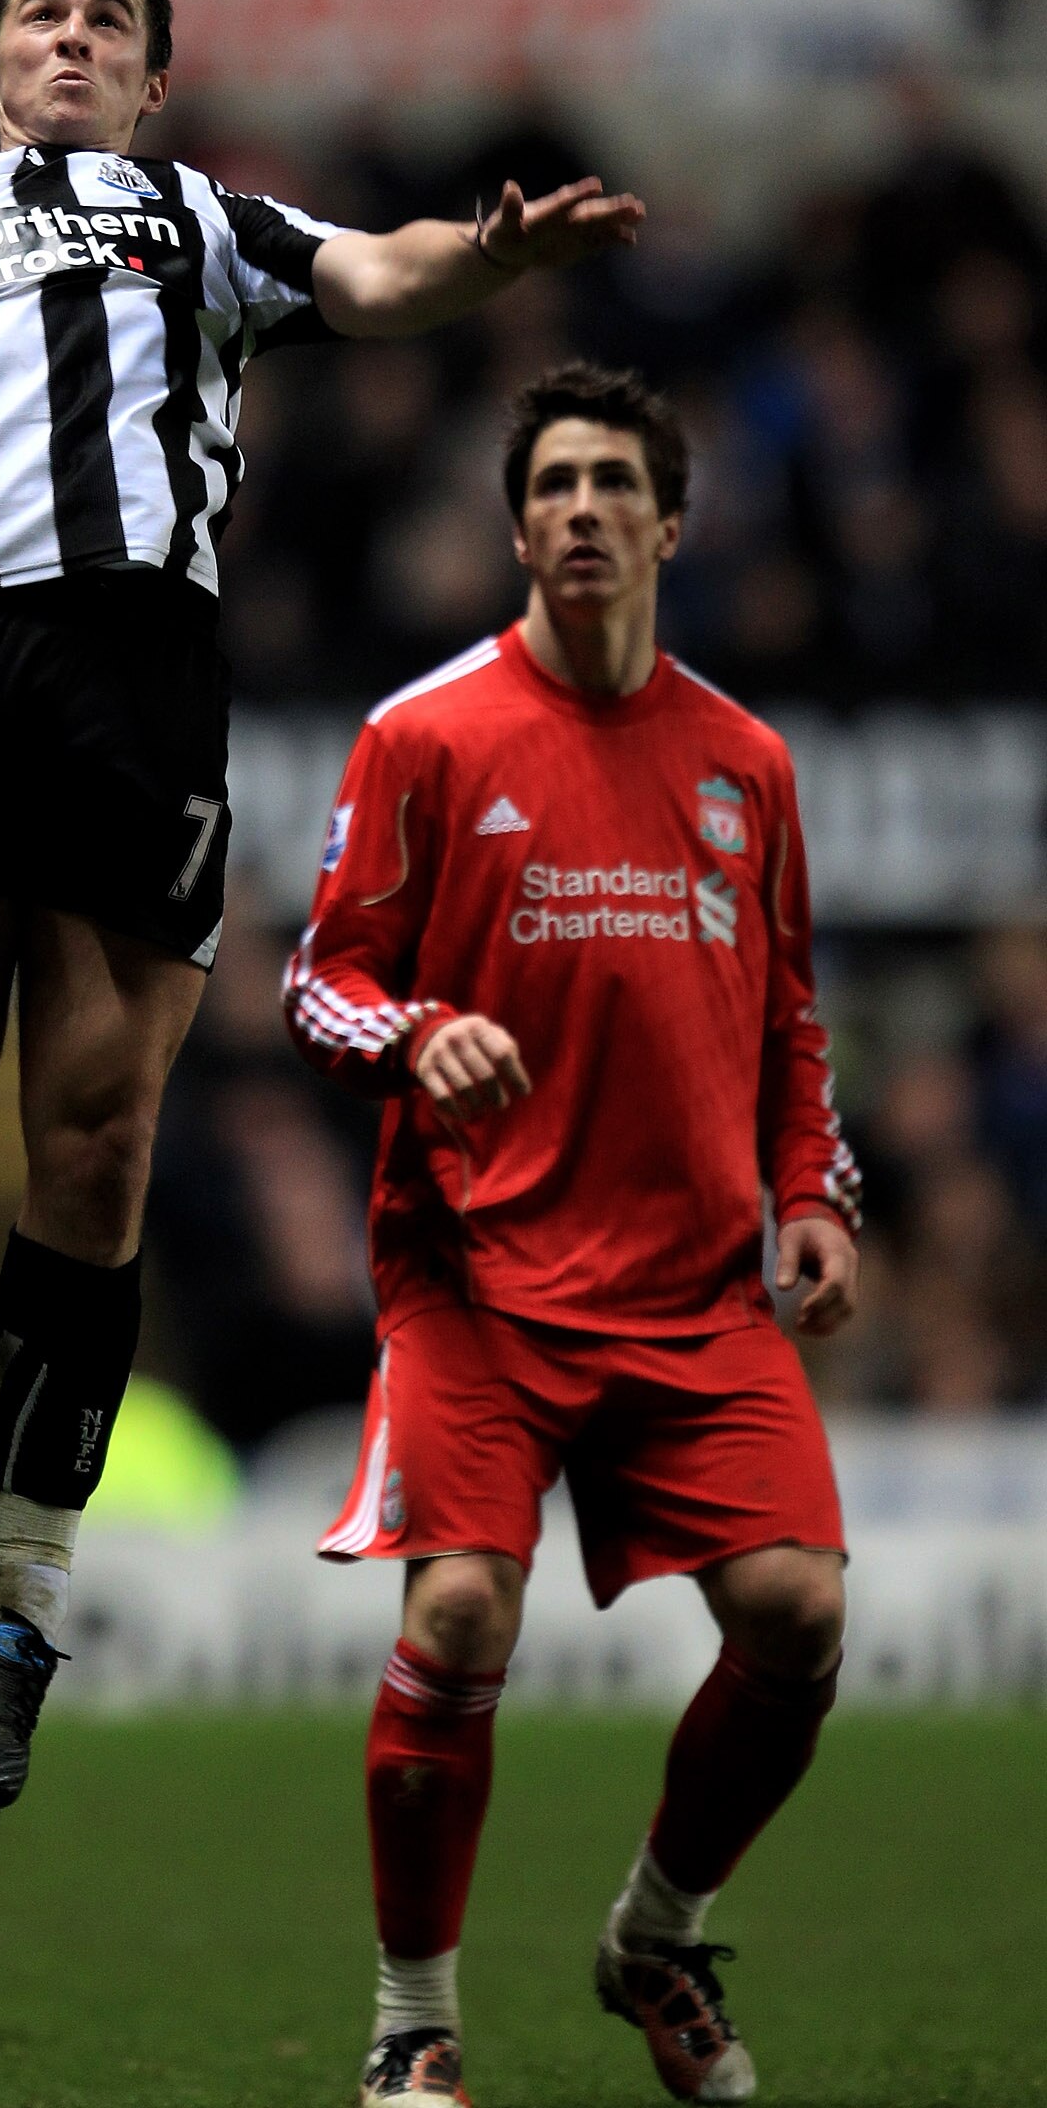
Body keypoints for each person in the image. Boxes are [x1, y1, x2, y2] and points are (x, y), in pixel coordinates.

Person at [0, 0, 644, 1815]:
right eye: (42, 16)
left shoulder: (209, 223)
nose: (74, 38)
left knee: (103, 1136)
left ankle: (22, 1601)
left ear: (156, 82)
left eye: (111, 21)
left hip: (142, 675)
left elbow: (379, 278)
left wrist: (491, 256)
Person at [283, 360, 862, 2108]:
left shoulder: (745, 763)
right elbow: (320, 979)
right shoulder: (428, 737)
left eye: (616, 482)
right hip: (476, 1277)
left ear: (672, 523)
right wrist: (412, 1034)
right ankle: (411, 2025)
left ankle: (656, 1936)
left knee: (802, 1619)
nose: (585, 510)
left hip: (692, 1288)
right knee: (458, 1619)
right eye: (554, 486)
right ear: (517, 525)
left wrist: (818, 1196)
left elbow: (793, 1028)